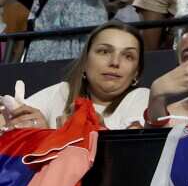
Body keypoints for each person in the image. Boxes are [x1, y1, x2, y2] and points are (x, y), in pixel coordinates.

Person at [2, 21, 149, 131]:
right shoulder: (62, 92)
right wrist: (19, 121)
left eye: (128, 56)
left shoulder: (142, 98)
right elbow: (8, 119)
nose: (115, 62)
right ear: (85, 61)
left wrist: (48, 134)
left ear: (136, 72)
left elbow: (125, 154)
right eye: (104, 52)